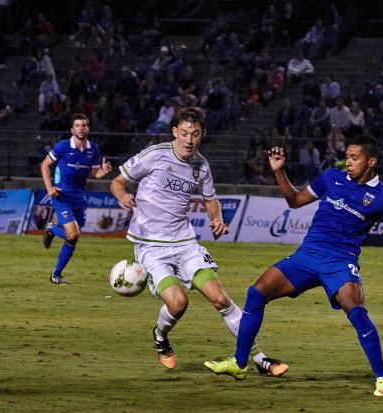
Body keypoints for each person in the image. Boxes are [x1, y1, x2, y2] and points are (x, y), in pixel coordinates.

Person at [204, 135, 383, 396]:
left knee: (355, 310)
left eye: (355, 158)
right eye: (347, 156)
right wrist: (279, 172)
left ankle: (381, 377)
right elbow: (295, 201)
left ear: (371, 161)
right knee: (257, 292)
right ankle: (240, 363)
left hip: (340, 261)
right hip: (308, 254)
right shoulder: (330, 178)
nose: (348, 162)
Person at [109, 107, 288, 376]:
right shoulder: (155, 154)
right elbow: (118, 181)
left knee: (220, 299)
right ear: (174, 132)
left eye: (194, 135)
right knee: (179, 303)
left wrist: (216, 220)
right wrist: (122, 195)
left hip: (185, 244)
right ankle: (160, 335)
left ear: (202, 135)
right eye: (184, 134)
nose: (189, 140)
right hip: (151, 247)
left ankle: (260, 359)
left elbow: (210, 199)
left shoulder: (201, 166)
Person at [40, 113, 112, 284]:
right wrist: (49, 187)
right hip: (61, 194)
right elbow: (44, 165)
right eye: (78, 125)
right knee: (72, 234)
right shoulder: (62, 146)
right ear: (72, 129)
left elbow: (95, 173)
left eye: (84, 125)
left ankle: (55, 275)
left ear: (88, 128)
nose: (81, 128)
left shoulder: (93, 149)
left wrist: (104, 171)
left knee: (74, 238)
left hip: (79, 196)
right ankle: (51, 228)